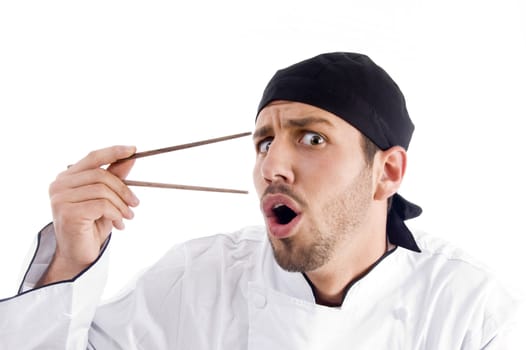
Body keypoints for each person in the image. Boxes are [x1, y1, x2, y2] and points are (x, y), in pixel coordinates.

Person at [0, 52, 523, 349]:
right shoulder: (200, 279)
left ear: (386, 172)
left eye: (311, 138)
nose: (271, 166)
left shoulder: (471, 312)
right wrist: (69, 260)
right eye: (264, 141)